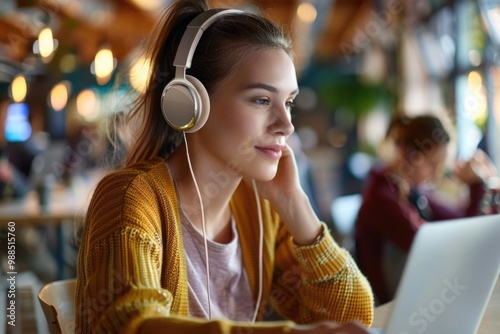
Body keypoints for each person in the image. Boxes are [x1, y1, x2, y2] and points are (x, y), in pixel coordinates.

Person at [74, 1, 374, 333]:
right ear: (189, 103)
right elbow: (130, 324)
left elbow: (354, 315)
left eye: (288, 103)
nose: (286, 125)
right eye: (261, 100)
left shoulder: (261, 209)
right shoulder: (132, 198)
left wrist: (294, 203)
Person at [354, 113, 497, 304]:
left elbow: (459, 222)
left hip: (413, 297)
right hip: (389, 310)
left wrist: (479, 186)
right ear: (409, 154)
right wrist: (477, 188)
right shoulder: (381, 199)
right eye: (432, 165)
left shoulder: (409, 190)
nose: (437, 175)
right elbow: (431, 248)